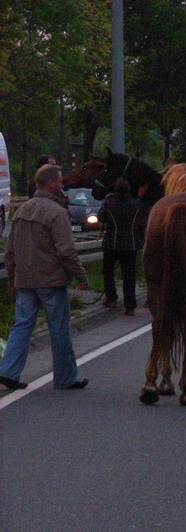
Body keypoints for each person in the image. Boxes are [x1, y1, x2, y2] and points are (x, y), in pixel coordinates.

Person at [0, 164, 90, 390]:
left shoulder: (23, 210)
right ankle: (65, 377)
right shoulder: (56, 212)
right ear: (51, 183)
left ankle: (8, 371)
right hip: (51, 280)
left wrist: (12, 278)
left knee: (21, 326)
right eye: (59, 181)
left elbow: (10, 251)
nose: (61, 185)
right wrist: (80, 275)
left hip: (25, 280)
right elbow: (66, 251)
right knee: (59, 329)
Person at [97, 178, 147, 316]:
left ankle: (111, 298)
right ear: (129, 189)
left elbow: (101, 218)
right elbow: (142, 220)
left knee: (108, 272)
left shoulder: (109, 203)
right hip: (130, 244)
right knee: (129, 275)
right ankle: (130, 306)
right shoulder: (137, 204)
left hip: (112, 243)